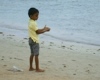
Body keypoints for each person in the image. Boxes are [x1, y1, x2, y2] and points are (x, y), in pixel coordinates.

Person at [28, 7, 50, 72]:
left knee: (32, 53)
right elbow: (37, 32)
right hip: (34, 40)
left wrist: (43, 28)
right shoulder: (33, 23)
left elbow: (36, 30)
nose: (37, 17)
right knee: (36, 54)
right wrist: (45, 30)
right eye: (36, 15)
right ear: (31, 16)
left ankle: (31, 67)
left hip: (30, 39)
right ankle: (37, 68)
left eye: (38, 15)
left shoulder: (30, 21)